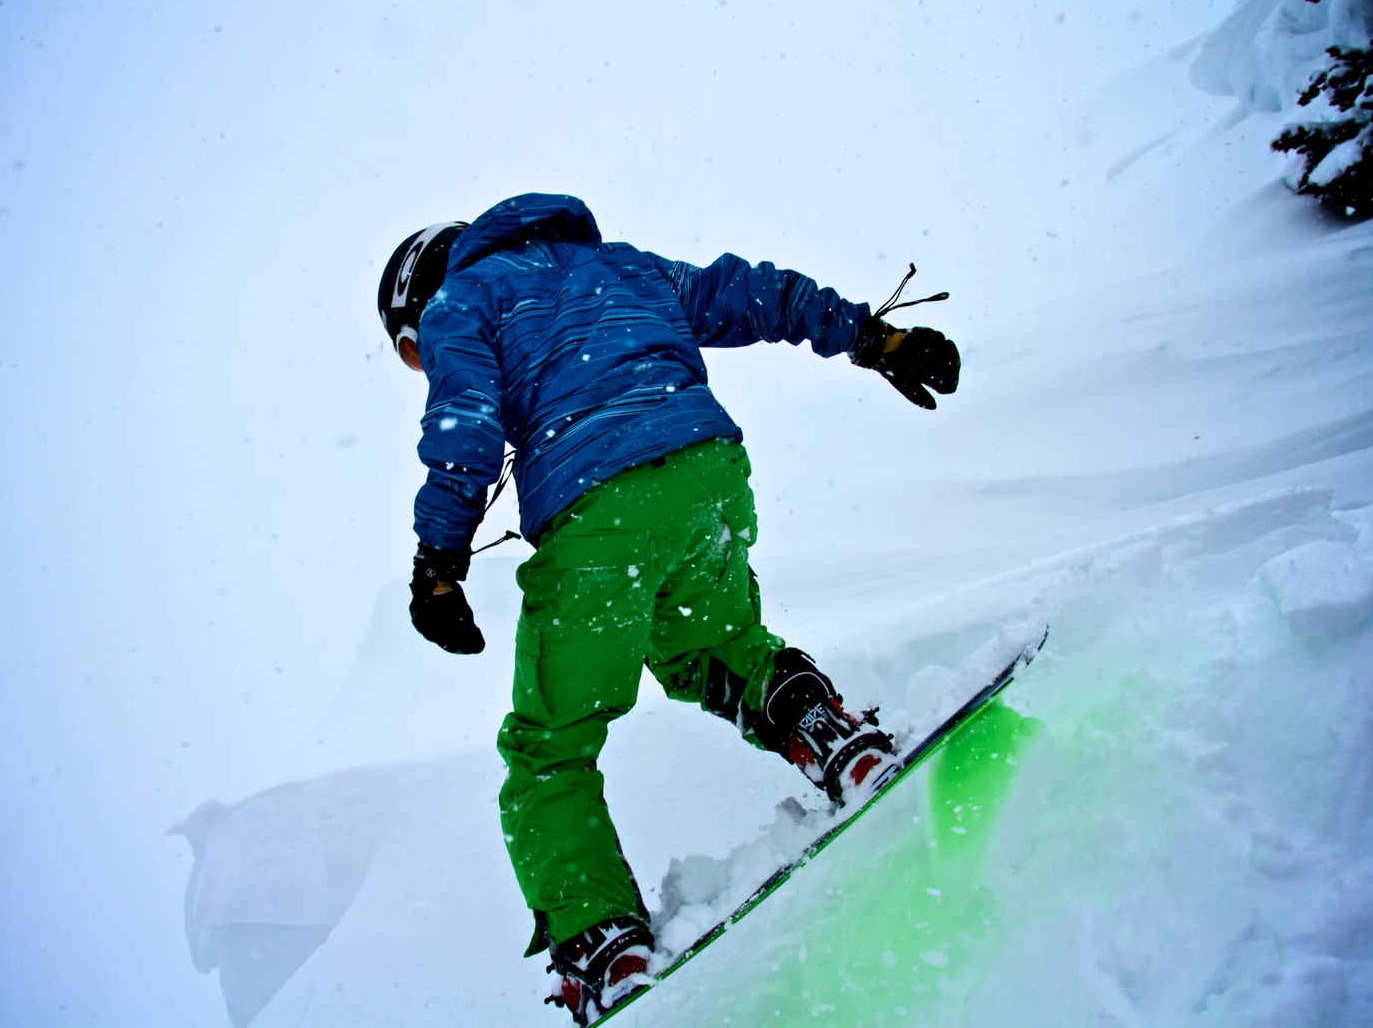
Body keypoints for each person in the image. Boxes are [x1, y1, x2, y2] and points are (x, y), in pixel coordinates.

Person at [377, 193, 959, 1024]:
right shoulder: (622, 265)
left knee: (552, 746)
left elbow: (465, 422)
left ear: (418, 302)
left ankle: (600, 938)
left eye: (412, 353)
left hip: (595, 511)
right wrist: (875, 337)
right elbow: (753, 295)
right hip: (704, 472)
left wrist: (438, 565)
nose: (423, 362)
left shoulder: (460, 301)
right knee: (717, 648)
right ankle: (831, 734)